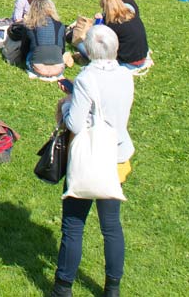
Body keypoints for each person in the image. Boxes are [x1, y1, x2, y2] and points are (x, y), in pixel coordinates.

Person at [52, 26, 135, 297]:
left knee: (73, 225)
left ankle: (63, 288)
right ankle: (113, 288)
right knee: (111, 226)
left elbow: (75, 122)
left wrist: (66, 104)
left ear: (88, 51)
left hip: (90, 157)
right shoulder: (126, 75)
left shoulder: (87, 77)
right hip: (117, 156)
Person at [100, 0, 151, 72]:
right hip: (142, 58)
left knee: (86, 46)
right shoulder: (132, 15)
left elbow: (102, 42)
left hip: (128, 63)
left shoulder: (113, 24)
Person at [24, 0, 66, 79]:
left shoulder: (30, 26)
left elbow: (24, 49)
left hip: (37, 68)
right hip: (58, 69)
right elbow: (62, 49)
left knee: (31, 52)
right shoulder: (60, 25)